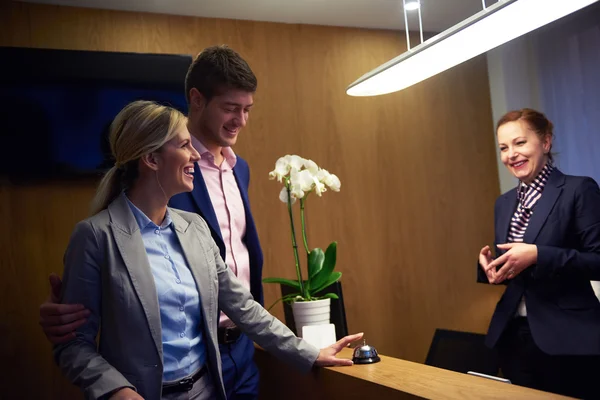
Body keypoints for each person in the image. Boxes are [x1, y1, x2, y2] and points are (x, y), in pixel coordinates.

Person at [55, 100, 362, 400]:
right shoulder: (95, 237)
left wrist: (308, 353)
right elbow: (72, 345)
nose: (194, 156)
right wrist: (116, 391)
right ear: (151, 159)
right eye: (184, 146)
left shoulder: (196, 228)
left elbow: (243, 307)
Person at [40, 45, 269, 399]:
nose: (240, 119)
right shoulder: (166, 174)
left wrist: (301, 349)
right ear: (196, 99)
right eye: (230, 108)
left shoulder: (241, 169)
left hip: (241, 349)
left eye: (247, 110)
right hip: (177, 364)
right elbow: (113, 273)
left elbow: (234, 270)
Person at [477, 108, 600, 399]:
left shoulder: (578, 189)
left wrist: (538, 254)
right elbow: (516, 268)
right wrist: (490, 268)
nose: (511, 155)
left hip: (569, 339)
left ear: (545, 142)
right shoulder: (504, 203)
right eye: (504, 148)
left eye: (520, 143)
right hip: (513, 337)